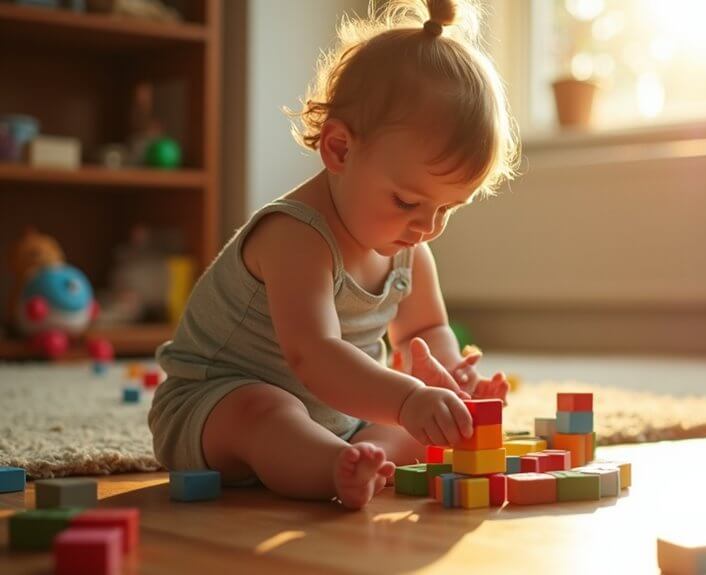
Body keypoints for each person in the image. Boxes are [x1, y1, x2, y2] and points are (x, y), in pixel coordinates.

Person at [149, 0, 519, 509]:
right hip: (214, 406)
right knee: (266, 409)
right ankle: (329, 468)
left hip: (340, 415)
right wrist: (409, 399)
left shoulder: (409, 250)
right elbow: (314, 356)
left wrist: (450, 383)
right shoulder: (296, 237)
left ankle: (362, 461)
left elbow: (424, 333)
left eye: (448, 209)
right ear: (340, 149)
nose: (428, 227)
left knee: (427, 433)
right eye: (409, 201)